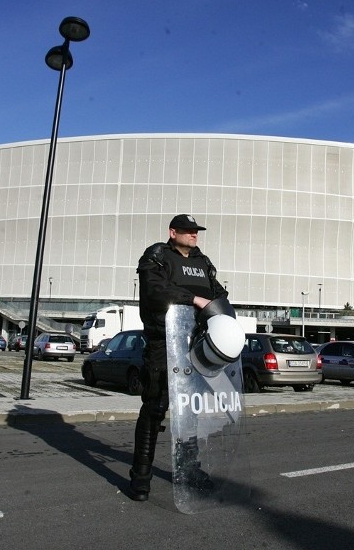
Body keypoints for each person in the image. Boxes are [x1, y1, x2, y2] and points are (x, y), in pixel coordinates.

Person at [128, 214, 228, 502]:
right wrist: (195, 300)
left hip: (197, 344)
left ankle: (190, 471)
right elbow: (155, 291)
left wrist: (226, 321)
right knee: (155, 407)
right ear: (173, 232)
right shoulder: (158, 255)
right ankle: (141, 478)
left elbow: (218, 295)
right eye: (188, 230)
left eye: (196, 231)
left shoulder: (203, 263)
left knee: (190, 410)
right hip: (164, 343)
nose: (194, 234)